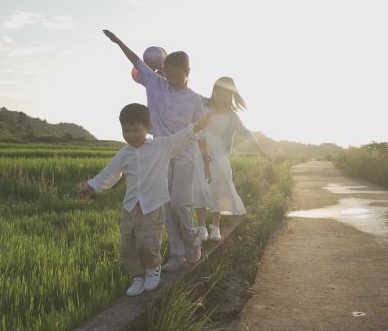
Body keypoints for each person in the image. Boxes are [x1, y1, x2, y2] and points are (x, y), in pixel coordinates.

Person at [103, 30, 212, 273]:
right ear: (163, 71)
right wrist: (119, 41)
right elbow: (136, 62)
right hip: (160, 156)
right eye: (168, 75)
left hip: (185, 157)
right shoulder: (156, 85)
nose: (172, 80)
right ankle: (176, 253)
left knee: (180, 205)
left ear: (188, 73)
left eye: (178, 76)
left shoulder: (194, 100)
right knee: (165, 205)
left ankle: (192, 238)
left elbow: (201, 131)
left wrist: (206, 160)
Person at [79, 103, 212, 296]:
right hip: (131, 206)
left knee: (147, 243)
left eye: (135, 130)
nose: (130, 135)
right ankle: (137, 276)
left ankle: (152, 268)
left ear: (148, 128)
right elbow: (109, 173)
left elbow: (181, 137)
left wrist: (198, 126)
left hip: (153, 205)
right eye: (126, 130)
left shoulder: (160, 146)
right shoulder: (123, 153)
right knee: (128, 245)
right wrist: (91, 187)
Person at [193, 77, 271, 241]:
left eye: (226, 95)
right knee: (199, 187)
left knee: (219, 187)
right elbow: (185, 91)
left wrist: (261, 150)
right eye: (218, 93)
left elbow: (246, 133)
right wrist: (164, 75)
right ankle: (201, 228)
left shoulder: (232, 116)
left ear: (231, 96)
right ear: (214, 91)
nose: (221, 97)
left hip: (219, 155)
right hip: (198, 151)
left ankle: (215, 227)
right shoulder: (201, 104)